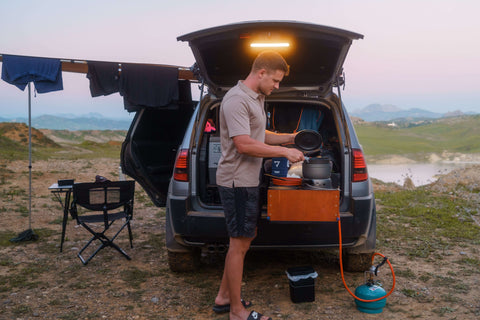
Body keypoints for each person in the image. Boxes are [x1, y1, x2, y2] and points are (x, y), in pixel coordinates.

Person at [213, 51, 305, 320]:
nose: (277, 86)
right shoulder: (236, 100)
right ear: (261, 72)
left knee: (244, 240)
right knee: (238, 244)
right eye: (275, 80)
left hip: (248, 180)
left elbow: (257, 133)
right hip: (236, 181)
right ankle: (236, 312)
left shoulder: (256, 98)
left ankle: (223, 297)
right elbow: (244, 144)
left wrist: (290, 138)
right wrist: (284, 153)